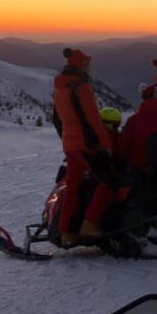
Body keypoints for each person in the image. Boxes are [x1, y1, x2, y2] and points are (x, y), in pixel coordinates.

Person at [52, 47, 113, 245]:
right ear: (82, 65)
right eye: (87, 64)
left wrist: (67, 139)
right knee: (109, 178)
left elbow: (57, 120)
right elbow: (94, 119)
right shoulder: (82, 88)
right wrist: (106, 144)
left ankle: (66, 233)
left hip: (70, 145)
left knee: (73, 187)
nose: (89, 68)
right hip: (86, 145)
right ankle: (90, 223)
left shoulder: (59, 89)